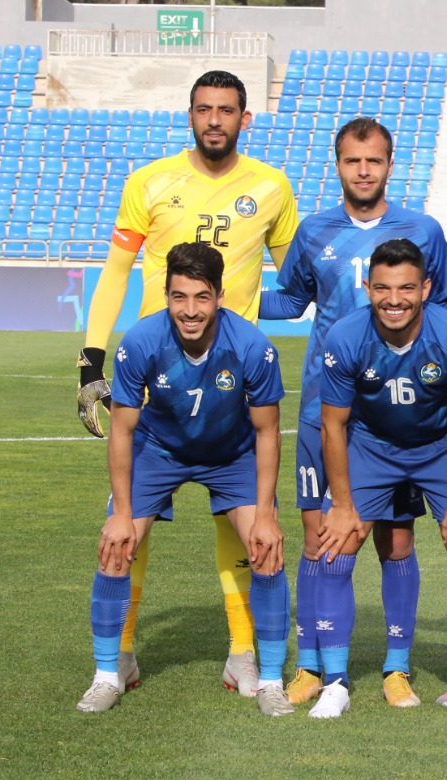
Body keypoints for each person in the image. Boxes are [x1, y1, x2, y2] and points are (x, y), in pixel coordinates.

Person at [75, 70, 299, 697]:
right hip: (155, 385)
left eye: (226, 110)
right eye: (204, 109)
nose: (214, 120)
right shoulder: (149, 182)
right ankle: (117, 657)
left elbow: (297, 286)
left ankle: (243, 655)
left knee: (243, 529)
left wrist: (245, 308)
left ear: (244, 119)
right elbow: (115, 272)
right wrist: (92, 361)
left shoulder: (273, 187)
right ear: (191, 115)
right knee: (126, 524)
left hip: (233, 383)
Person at [258, 117, 447, 708]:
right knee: (320, 536)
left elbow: (444, 306)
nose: (364, 171)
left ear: (390, 165)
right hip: (324, 405)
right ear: (338, 165)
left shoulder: (422, 230)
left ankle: (396, 667)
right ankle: (313, 665)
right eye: (353, 160)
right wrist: (230, 298)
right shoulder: (314, 230)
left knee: (396, 541)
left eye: (374, 160)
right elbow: (291, 301)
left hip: (396, 414)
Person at [76, 242, 291, 716]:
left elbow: (267, 432)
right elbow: (122, 430)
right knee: (116, 545)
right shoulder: (141, 341)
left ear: (220, 296)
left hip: (231, 454)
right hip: (159, 450)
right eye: (179, 297)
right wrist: (122, 512)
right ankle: (110, 672)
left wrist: (266, 515)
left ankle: (268, 677)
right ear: (167, 295)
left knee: (266, 548)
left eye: (201, 297)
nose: (190, 310)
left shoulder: (252, 347)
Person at [310, 238, 447, 721]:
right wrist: (343, 505)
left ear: (426, 288)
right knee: (335, 548)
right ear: (367, 287)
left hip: (438, 447)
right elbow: (333, 425)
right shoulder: (346, 337)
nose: (395, 300)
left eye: (407, 288)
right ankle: (335, 682)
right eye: (383, 288)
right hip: (371, 446)